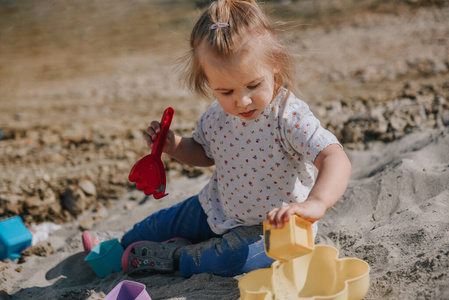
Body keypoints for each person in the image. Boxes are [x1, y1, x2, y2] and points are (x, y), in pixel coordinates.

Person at [83, 0, 351, 278]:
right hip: (216, 206)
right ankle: (120, 242)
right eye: (225, 91)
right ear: (208, 82)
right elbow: (205, 154)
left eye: (253, 85)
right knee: (162, 223)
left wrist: (316, 203)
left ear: (276, 63)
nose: (242, 101)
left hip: (273, 227)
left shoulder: (289, 117)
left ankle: (176, 257)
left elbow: (334, 157)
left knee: (232, 260)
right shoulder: (216, 116)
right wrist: (175, 146)